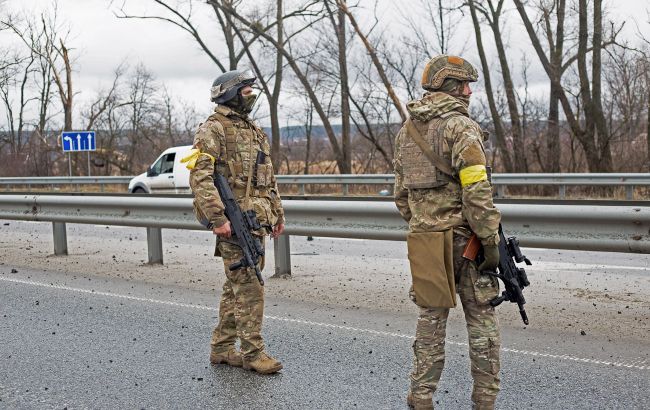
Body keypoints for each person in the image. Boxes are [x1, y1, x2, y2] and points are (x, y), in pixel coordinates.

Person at [393, 55, 502, 409]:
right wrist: (489, 239)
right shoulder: (461, 127)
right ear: (450, 86)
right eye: (465, 84)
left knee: (430, 320)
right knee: (482, 318)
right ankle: (484, 400)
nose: (469, 91)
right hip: (463, 240)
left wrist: (424, 222)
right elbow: (477, 189)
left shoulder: (407, 131)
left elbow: (401, 195)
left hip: (426, 240)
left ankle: (420, 395)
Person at [188, 69, 285, 374]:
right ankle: (253, 353)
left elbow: (267, 176)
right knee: (250, 287)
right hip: (233, 221)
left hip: (258, 220)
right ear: (230, 94)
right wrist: (217, 217)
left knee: (238, 285)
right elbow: (200, 176)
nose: (251, 96)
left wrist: (278, 213)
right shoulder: (212, 129)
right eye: (245, 91)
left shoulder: (253, 129)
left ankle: (221, 347)